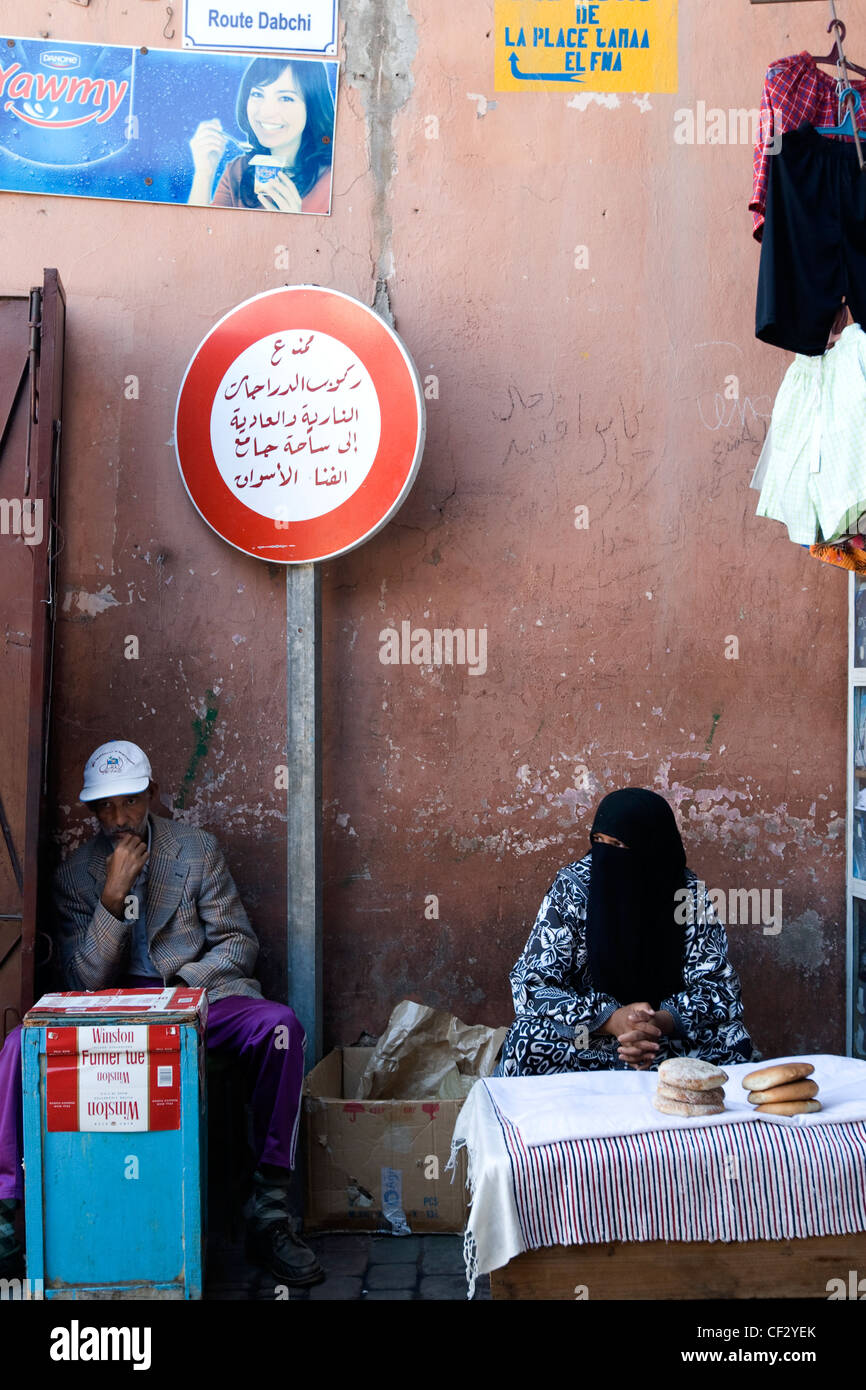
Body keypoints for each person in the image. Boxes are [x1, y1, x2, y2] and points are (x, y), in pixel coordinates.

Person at [0, 740, 323, 1286]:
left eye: (128, 802)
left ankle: (268, 1207)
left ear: (150, 795)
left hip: (199, 1001)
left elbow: (237, 945)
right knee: (16, 1047)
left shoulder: (196, 850)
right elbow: (83, 980)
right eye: (104, 807)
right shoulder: (78, 874)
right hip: (111, 1010)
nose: (117, 818)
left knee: (281, 1031)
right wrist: (111, 897)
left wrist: (183, 993)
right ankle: (9, 1213)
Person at [498, 787, 754, 1076]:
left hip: (667, 1039)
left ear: (653, 847)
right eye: (598, 841)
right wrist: (611, 1019)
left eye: (618, 845)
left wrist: (658, 1022)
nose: (606, 855)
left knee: (732, 1039)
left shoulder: (689, 894)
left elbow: (719, 988)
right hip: (589, 1037)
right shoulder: (574, 888)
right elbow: (532, 984)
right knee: (528, 1038)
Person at [187, 57, 334, 213]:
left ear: (312, 106)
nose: (266, 111)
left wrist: (297, 223)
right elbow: (198, 232)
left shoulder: (332, 180)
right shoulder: (238, 171)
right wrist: (204, 173)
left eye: (286, 98)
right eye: (257, 94)